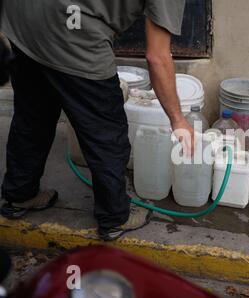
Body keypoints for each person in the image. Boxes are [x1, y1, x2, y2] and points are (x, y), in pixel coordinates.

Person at [0, 0, 195, 241]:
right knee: (107, 134)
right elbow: (157, 57)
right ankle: (115, 217)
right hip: (74, 33)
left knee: (33, 114)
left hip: (22, 20)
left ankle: (20, 194)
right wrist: (178, 119)